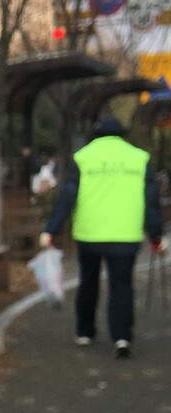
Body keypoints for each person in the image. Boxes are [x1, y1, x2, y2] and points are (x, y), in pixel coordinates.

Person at [40, 117, 165, 358]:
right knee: (122, 285)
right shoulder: (139, 158)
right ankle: (122, 337)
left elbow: (67, 197)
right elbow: (151, 203)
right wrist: (156, 236)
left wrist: (51, 230)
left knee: (88, 282)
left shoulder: (83, 157)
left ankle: (85, 331)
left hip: (89, 233)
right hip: (126, 234)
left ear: (96, 135)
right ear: (122, 135)